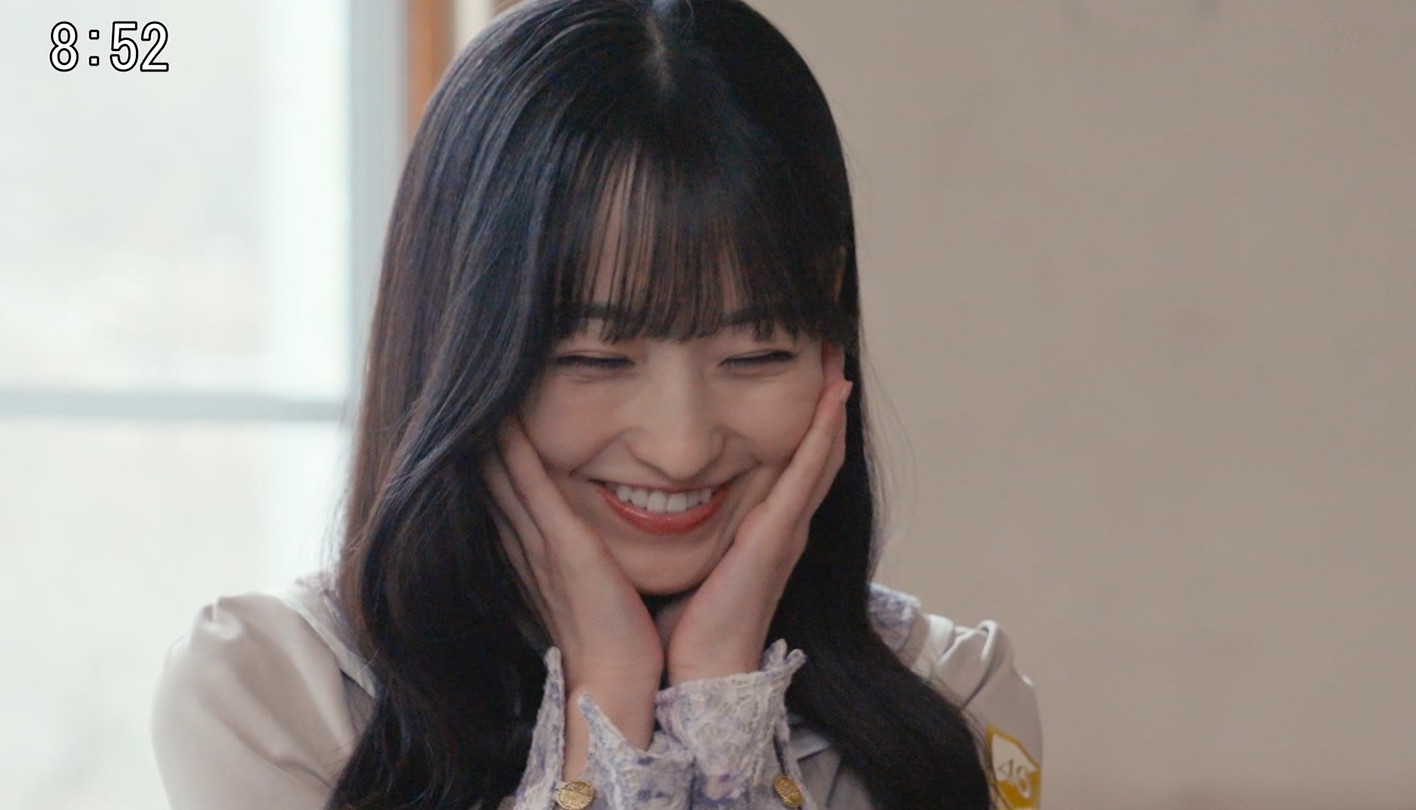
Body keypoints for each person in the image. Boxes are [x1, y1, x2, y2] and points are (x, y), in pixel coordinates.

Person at [150, 0, 1042, 808]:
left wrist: (719, 701)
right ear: (459, 349)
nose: (682, 447)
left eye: (756, 354)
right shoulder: (273, 697)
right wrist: (607, 706)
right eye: (596, 358)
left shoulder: (954, 701)